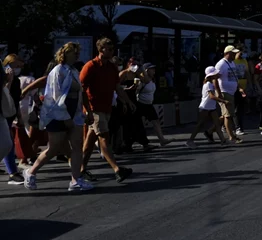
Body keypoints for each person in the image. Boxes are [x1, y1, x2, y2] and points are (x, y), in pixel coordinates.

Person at [23, 43, 90, 191]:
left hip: (74, 113)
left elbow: (79, 93)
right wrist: (65, 117)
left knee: (77, 145)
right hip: (57, 114)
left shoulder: (73, 71)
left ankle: (75, 180)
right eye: (73, 52)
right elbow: (55, 95)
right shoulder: (58, 70)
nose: (76, 54)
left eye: (78, 52)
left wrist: (83, 113)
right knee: (54, 148)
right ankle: (30, 172)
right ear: (64, 54)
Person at [79, 38, 135, 184]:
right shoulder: (90, 66)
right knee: (104, 137)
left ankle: (81, 170)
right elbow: (81, 89)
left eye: (112, 49)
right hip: (94, 109)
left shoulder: (111, 67)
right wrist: (87, 110)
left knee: (90, 141)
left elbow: (117, 87)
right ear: (100, 49)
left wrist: (127, 101)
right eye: (108, 49)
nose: (111, 51)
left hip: (106, 108)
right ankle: (117, 169)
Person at [187, 67, 228, 148]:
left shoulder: (210, 83)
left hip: (211, 107)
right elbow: (212, 96)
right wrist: (223, 101)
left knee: (217, 124)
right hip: (205, 107)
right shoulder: (208, 84)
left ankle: (223, 140)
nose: (217, 75)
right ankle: (190, 141)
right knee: (200, 125)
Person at [135, 63, 170, 147]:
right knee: (141, 124)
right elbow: (136, 91)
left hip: (149, 104)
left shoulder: (152, 79)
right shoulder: (142, 80)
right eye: (151, 69)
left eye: (154, 69)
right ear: (146, 70)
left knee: (156, 121)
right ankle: (143, 142)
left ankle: (162, 140)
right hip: (141, 104)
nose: (154, 71)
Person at [215, 45, 245, 142]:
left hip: (231, 92)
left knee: (226, 114)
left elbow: (234, 77)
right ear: (227, 53)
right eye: (233, 53)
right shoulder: (221, 64)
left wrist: (240, 87)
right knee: (228, 116)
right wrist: (219, 93)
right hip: (224, 91)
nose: (235, 55)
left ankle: (209, 131)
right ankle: (231, 136)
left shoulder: (232, 63)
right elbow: (215, 79)